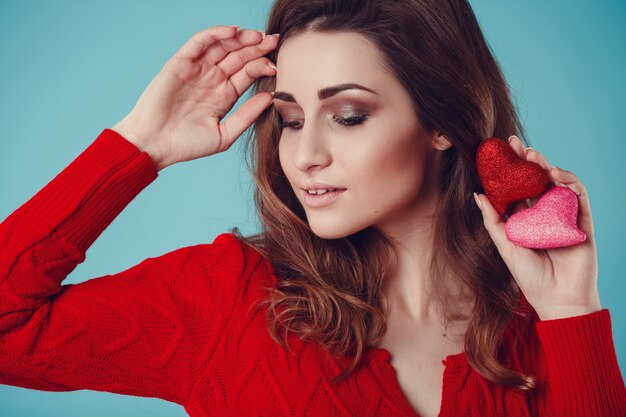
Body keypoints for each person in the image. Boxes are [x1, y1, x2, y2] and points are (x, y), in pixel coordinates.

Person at [0, 0, 624, 416]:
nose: (304, 156)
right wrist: (140, 144)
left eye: (348, 115)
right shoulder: (229, 300)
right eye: (292, 119)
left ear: (440, 120)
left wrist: (572, 312)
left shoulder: (542, 324)